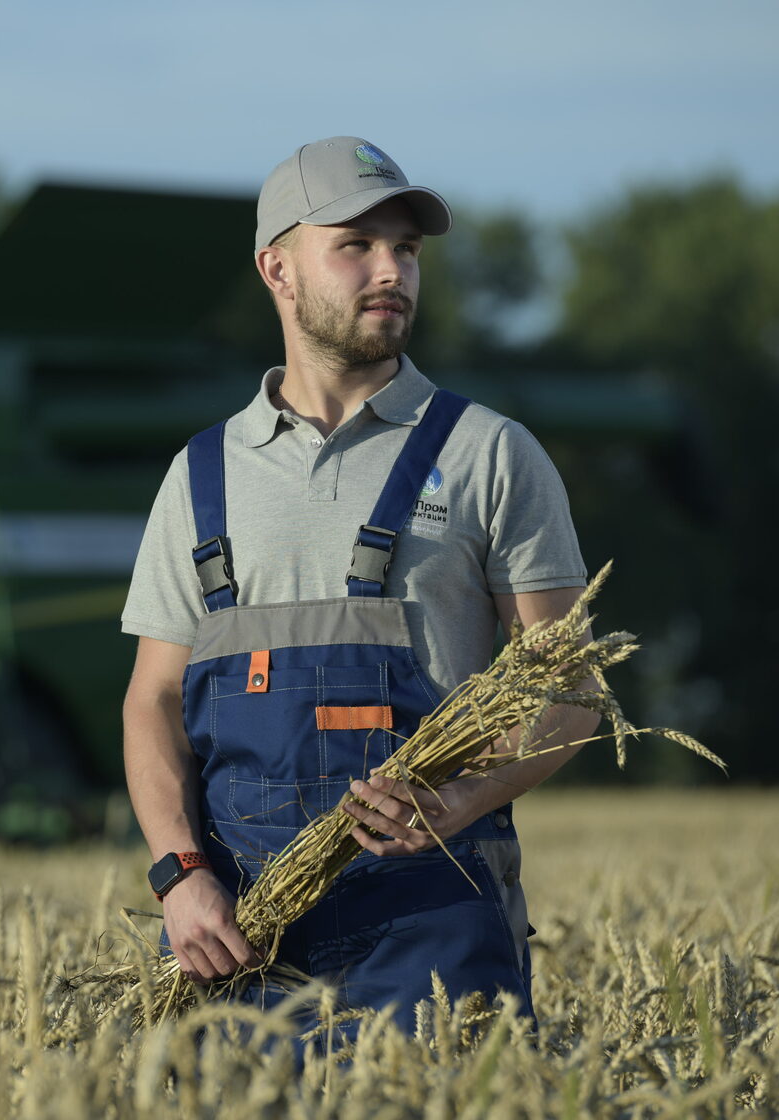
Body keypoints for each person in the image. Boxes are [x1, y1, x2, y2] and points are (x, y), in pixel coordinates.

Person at [120, 136, 600, 1035]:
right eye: (357, 245)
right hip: (238, 942)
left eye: (407, 250)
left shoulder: (490, 454)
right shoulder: (200, 476)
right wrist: (181, 877)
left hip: (435, 923)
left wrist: (460, 800)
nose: (393, 272)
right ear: (279, 268)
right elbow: (152, 700)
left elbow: (570, 689)